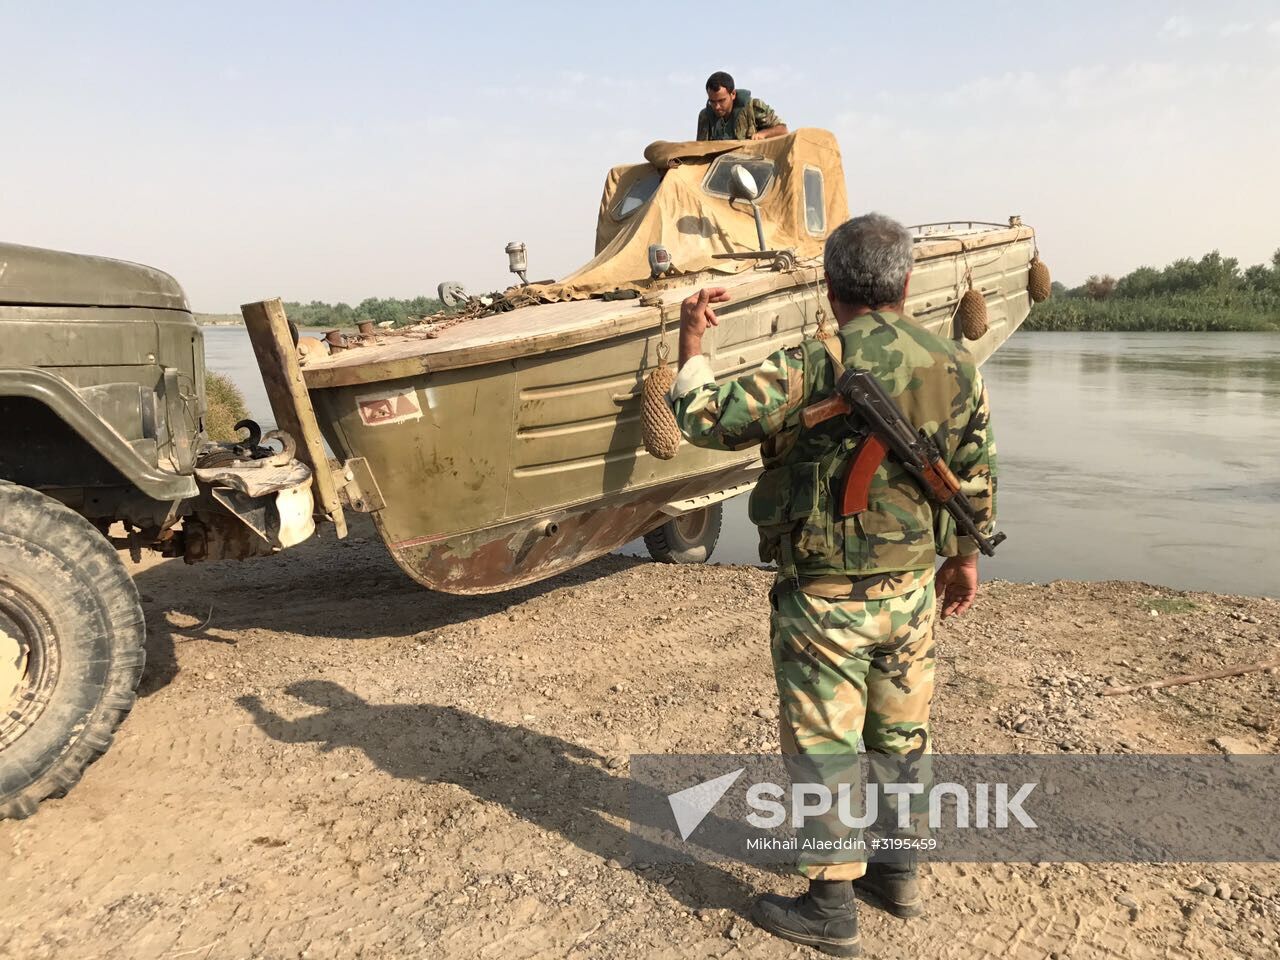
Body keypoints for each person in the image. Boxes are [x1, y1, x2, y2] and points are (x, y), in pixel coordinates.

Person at [668, 213, 997, 956]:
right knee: (901, 734)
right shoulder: (957, 365)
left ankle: (830, 905)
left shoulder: (816, 360)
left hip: (824, 599)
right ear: (906, 284)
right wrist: (964, 559)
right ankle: (899, 870)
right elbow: (976, 475)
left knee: (825, 745)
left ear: (830, 285)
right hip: (912, 593)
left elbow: (703, 416)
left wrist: (692, 345)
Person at [696, 71, 788, 141]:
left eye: (721, 100)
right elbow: (700, 149)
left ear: (733, 94)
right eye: (712, 101)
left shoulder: (753, 107)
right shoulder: (705, 116)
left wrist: (763, 134)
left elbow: (783, 130)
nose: (717, 106)